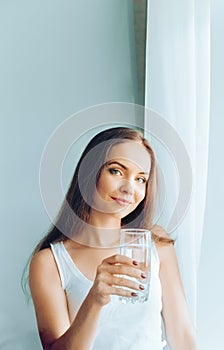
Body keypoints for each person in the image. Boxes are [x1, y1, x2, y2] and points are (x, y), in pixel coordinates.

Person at [27, 127, 198, 350]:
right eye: (116, 171)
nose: (129, 188)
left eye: (140, 179)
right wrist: (95, 299)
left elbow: (182, 335)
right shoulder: (50, 262)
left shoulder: (156, 244)